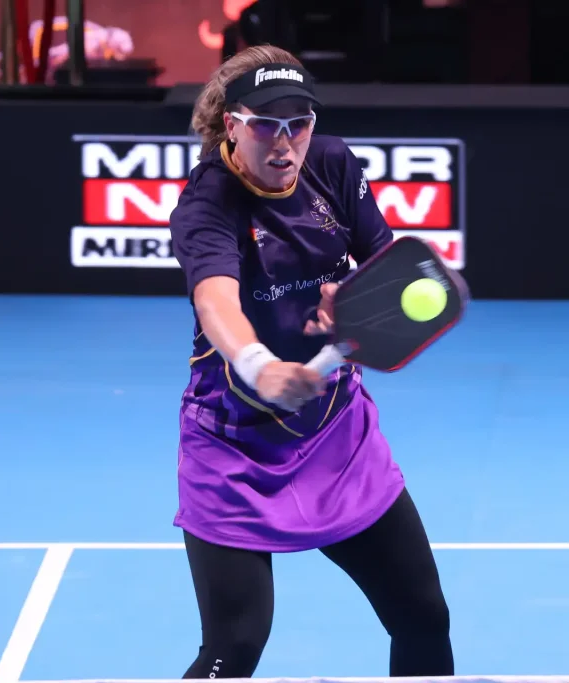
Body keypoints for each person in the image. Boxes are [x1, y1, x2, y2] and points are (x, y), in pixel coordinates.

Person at [168, 45, 454, 679]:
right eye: (266, 125)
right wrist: (260, 365)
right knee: (234, 647)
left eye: (299, 123)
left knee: (423, 615)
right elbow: (215, 299)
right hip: (234, 445)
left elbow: (390, 268)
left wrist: (354, 297)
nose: (285, 142)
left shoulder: (332, 163)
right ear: (232, 125)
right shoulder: (206, 204)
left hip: (337, 435)